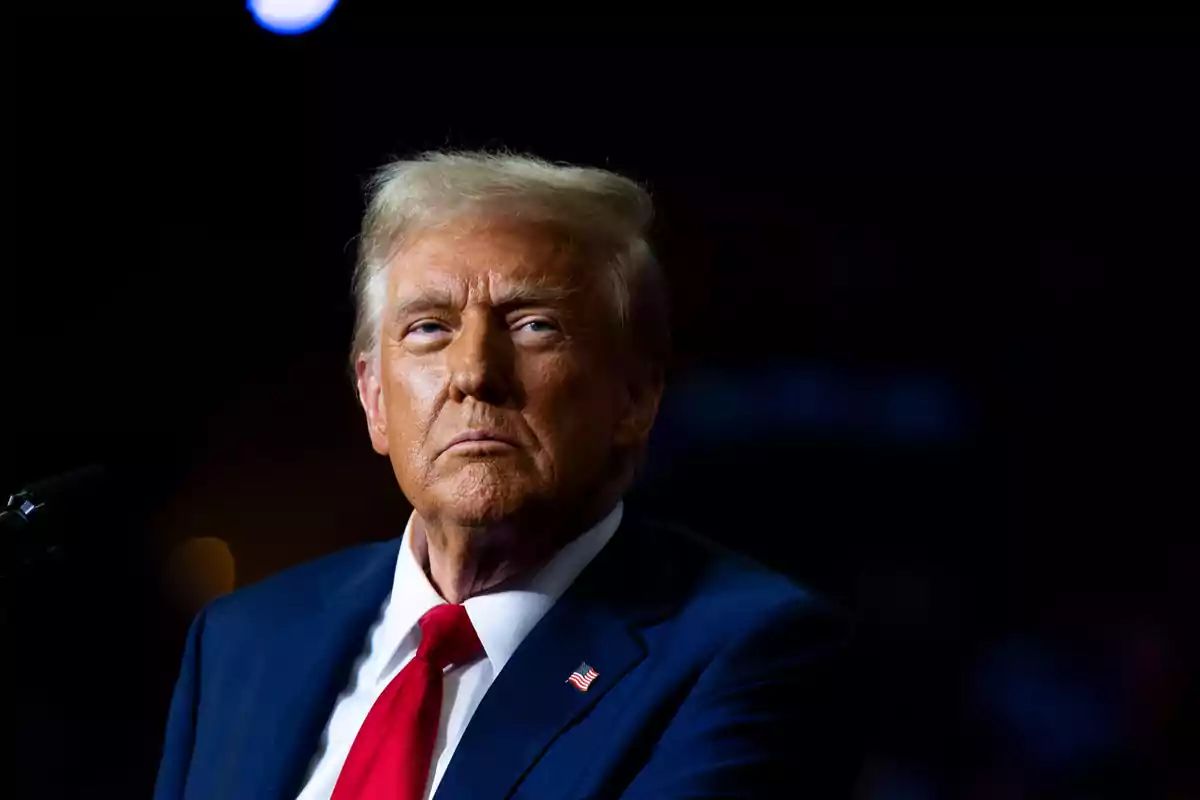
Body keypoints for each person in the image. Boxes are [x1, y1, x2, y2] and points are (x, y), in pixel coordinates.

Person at [154, 151, 860, 799]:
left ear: (635, 399)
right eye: (429, 328)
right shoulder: (241, 639)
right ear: (373, 398)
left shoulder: (746, 652)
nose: (473, 374)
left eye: (533, 325)